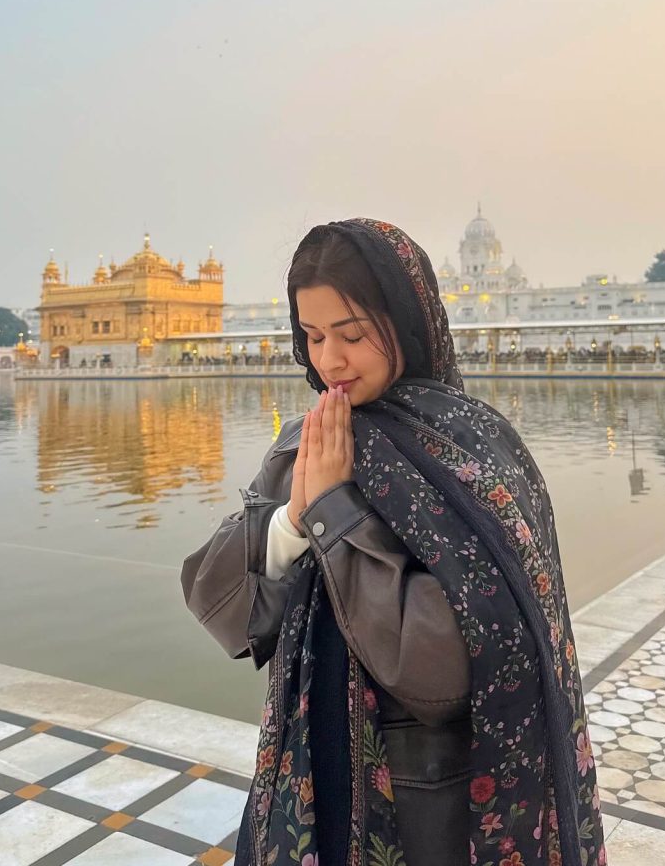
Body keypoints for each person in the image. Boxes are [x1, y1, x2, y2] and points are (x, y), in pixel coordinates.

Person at [181, 219, 605, 866]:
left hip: (426, 802)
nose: (329, 361)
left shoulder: (471, 455)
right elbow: (224, 609)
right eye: (313, 337)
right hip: (306, 774)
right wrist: (293, 518)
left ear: (406, 324)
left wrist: (333, 514)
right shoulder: (312, 440)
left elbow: (440, 671)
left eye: (351, 335)